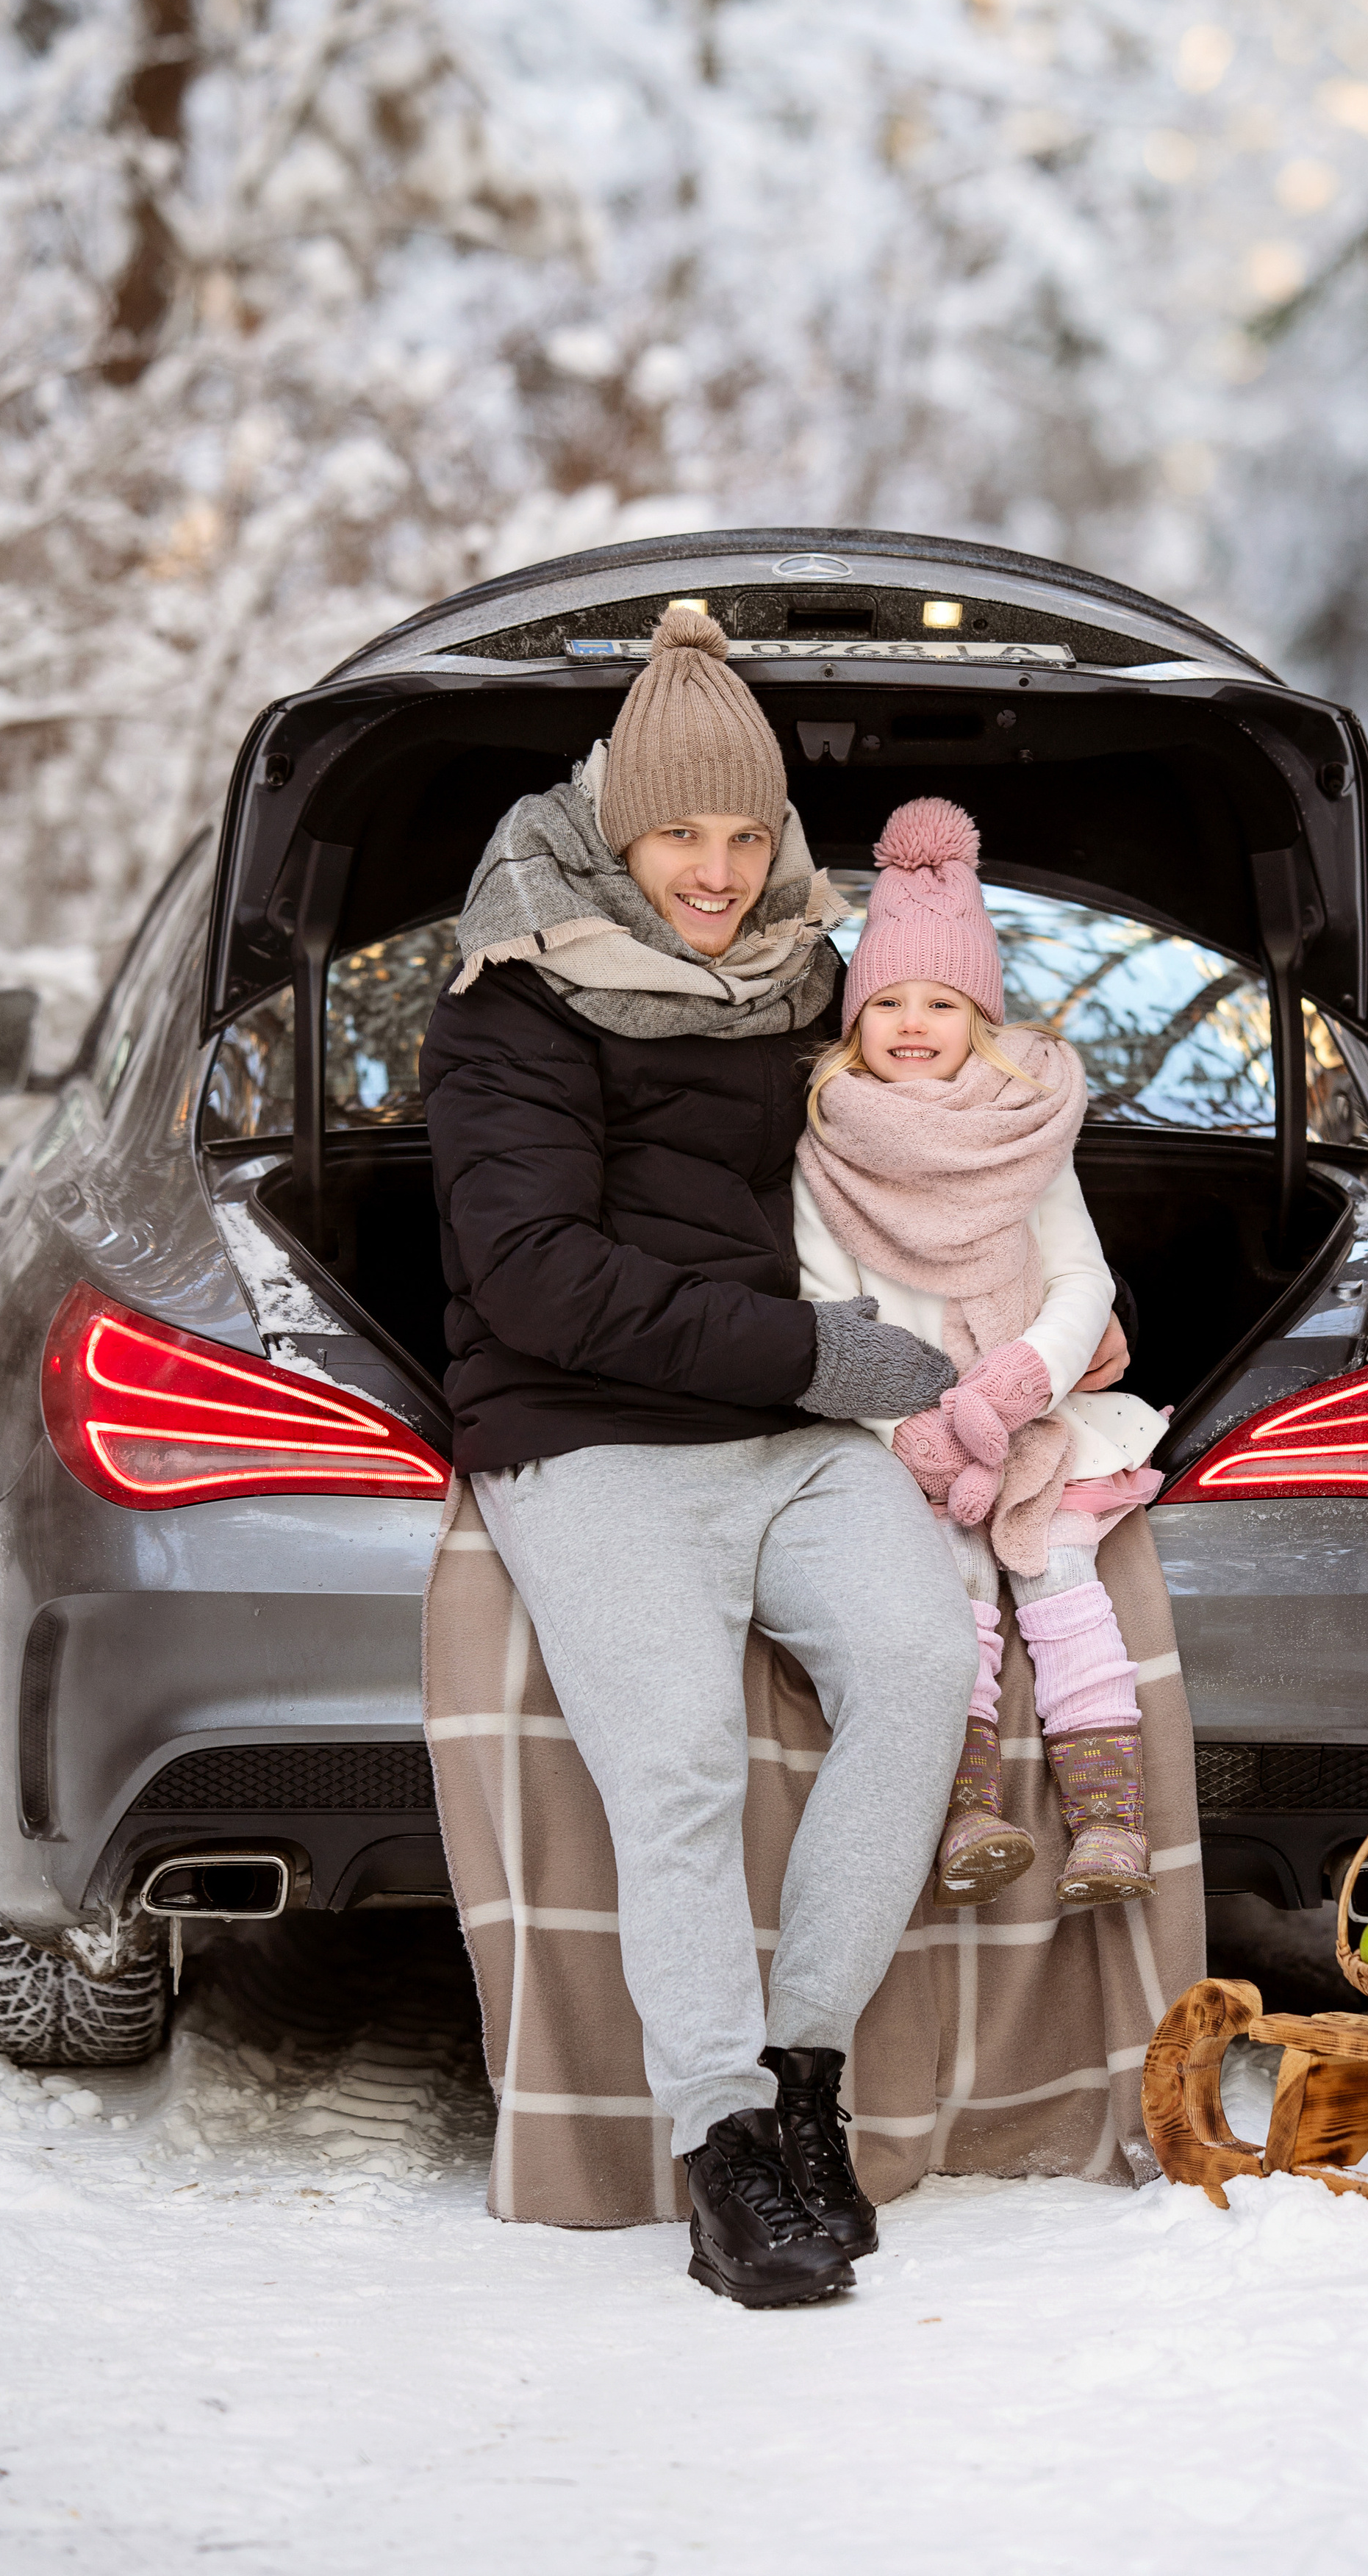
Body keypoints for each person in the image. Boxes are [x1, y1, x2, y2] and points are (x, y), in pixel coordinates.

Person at [419, 608, 981, 2311]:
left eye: (747, 837)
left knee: (919, 1660)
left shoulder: (801, 978)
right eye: (682, 835)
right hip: (584, 1435)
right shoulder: (512, 1002)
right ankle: (723, 2144)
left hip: (784, 1436)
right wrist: (819, 1354)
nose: (718, 876)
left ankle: (803, 2081)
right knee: (673, 1765)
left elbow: (916, 1112)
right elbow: (536, 1276)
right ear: (611, 822)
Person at [792, 798, 1170, 1913]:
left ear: (981, 1016)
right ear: (855, 1018)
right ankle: (964, 1810)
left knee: (1061, 1585)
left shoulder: (1027, 1132)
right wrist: (900, 1423)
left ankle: (1110, 1823)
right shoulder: (827, 1151)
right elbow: (822, 1308)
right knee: (940, 1601)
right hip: (908, 1433)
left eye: (943, 1003)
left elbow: (1081, 1280)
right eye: (891, 1002)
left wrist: (1019, 1382)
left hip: (1031, 1418)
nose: (915, 1023)